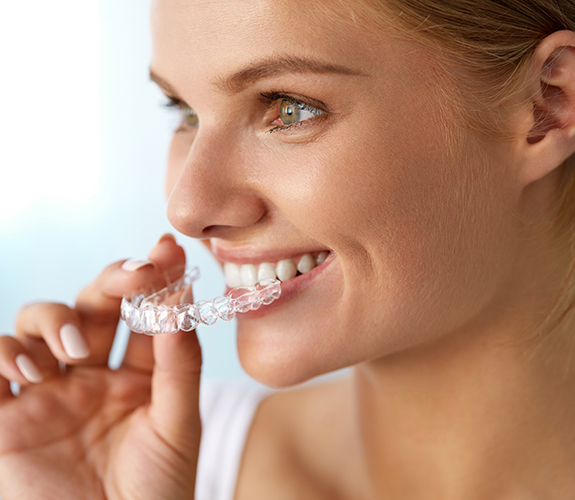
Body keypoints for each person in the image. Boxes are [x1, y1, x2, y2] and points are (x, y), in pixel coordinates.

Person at [1, 0, 575, 498]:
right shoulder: (141, 462)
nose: (187, 208)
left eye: (290, 107)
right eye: (187, 112)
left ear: (547, 106)